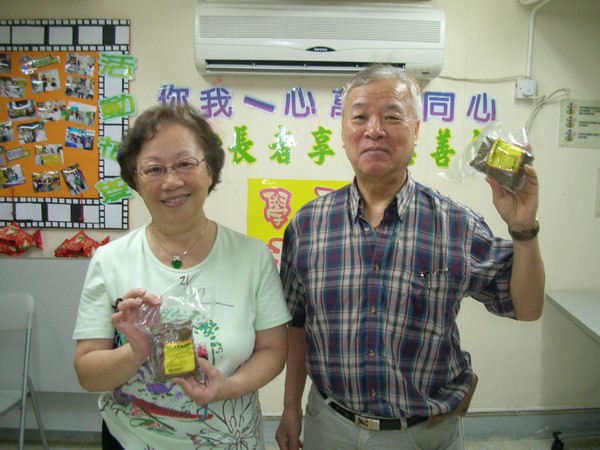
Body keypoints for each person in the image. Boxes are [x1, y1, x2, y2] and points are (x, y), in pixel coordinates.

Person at [275, 64, 545, 450]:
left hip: (424, 434)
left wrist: (523, 228)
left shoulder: (456, 225)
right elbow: (297, 324)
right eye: (360, 117)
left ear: (416, 130)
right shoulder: (307, 226)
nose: (374, 130)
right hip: (330, 426)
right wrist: (290, 407)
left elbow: (528, 307)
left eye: (391, 116)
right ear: (343, 132)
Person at [73, 104, 290, 449]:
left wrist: (229, 387)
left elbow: (274, 350)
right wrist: (135, 351)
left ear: (210, 171)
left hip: (231, 440)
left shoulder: (252, 257)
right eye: (154, 169)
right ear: (135, 180)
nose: (172, 181)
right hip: (131, 440)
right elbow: (87, 373)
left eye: (185, 164)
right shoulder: (110, 260)